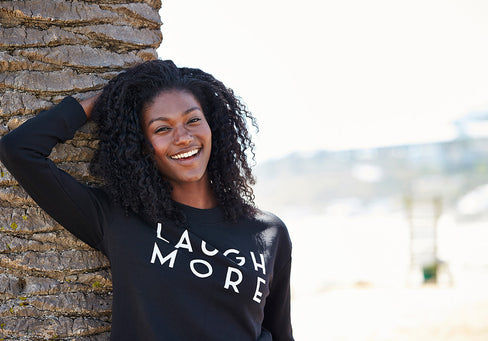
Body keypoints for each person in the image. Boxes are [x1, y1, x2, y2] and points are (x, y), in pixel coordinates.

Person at [0, 60, 294, 340]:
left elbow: (281, 334)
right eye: (162, 129)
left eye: (193, 120)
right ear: (142, 145)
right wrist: (106, 101)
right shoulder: (119, 220)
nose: (183, 137)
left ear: (212, 126)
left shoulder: (269, 233)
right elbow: (20, 150)